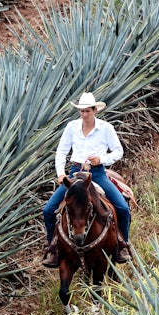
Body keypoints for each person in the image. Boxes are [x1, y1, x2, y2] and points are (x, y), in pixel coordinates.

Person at [42, 92, 132, 268]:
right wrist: (61, 173)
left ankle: (122, 245)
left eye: (87, 111)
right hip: (75, 174)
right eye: (82, 111)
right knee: (48, 210)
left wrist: (102, 159)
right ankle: (53, 248)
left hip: (97, 174)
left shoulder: (106, 128)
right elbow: (61, 151)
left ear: (94, 110)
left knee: (122, 208)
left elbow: (118, 151)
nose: (84, 115)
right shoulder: (71, 127)